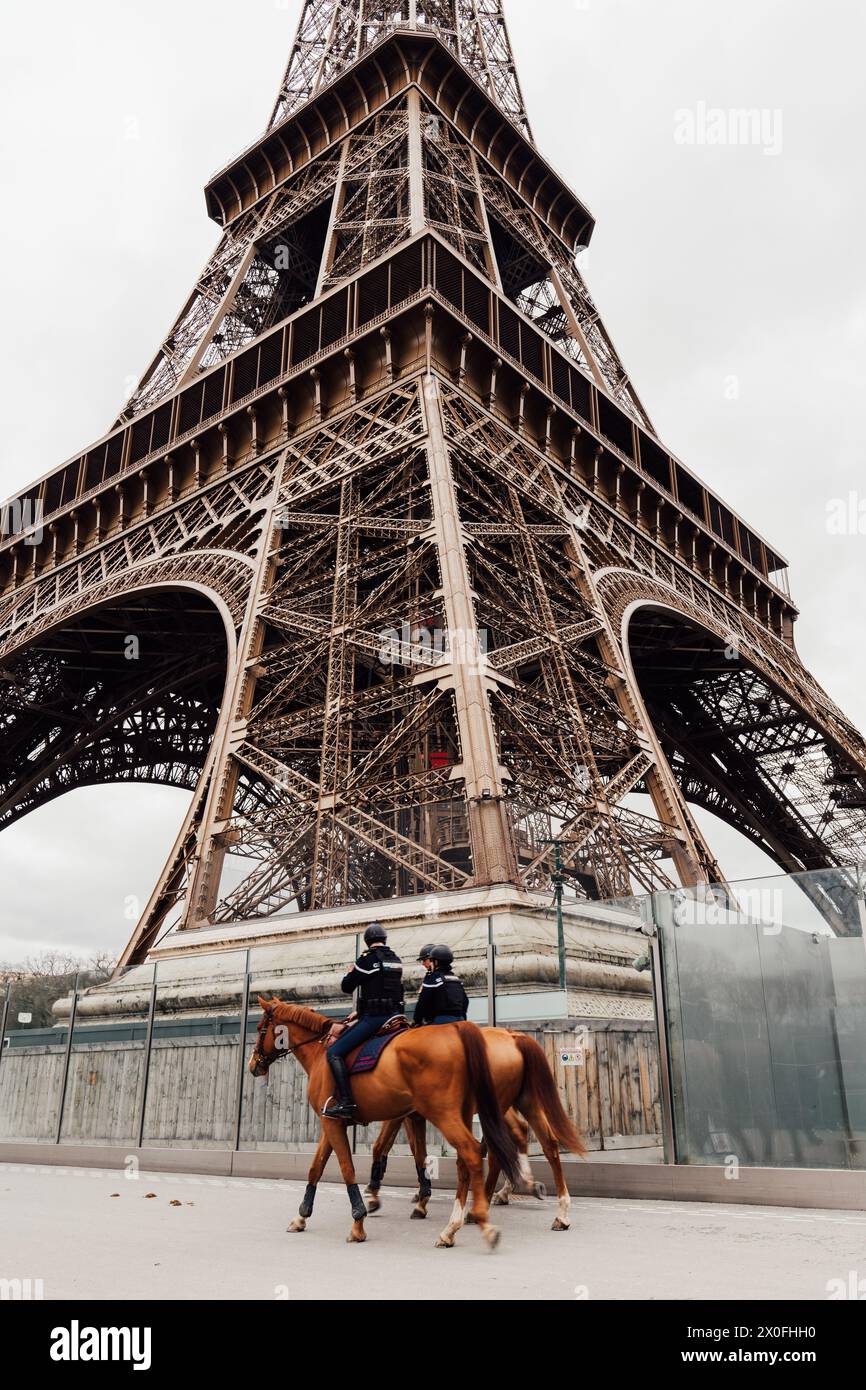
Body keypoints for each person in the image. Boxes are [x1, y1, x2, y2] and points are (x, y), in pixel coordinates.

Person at [322, 924, 404, 1120]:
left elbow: (346, 986)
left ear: (367, 941)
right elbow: (386, 989)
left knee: (334, 1052)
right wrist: (358, 1011)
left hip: (375, 1019)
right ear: (384, 939)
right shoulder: (396, 960)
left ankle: (347, 1102)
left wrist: (352, 970)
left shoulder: (366, 960)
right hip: (395, 1016)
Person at [413, 945, 469, 1026]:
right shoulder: (456, 979)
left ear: (435, 962)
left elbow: (422, 1003)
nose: (423, 963)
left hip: (440, 1021)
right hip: (460, 1020)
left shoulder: (432, 979)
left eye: (428, 960)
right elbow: (465, 1002)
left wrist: (417, 1021)